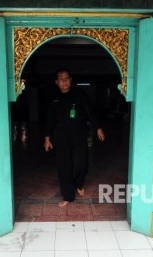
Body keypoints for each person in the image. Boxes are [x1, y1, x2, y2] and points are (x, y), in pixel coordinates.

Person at [44, 69, 105, 207]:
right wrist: (47, 137)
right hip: (61, 137)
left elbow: (90, 112)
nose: (64, 81)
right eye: (61, 79)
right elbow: (49, 119)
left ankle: (78, 183)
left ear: (71, 80)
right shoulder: (53, 98)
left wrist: (98, 127)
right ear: (56, 82)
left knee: (82, 163)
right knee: (64, 166)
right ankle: (68, 195)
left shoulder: (80, 94)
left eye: (66, 78)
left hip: (79, 134)